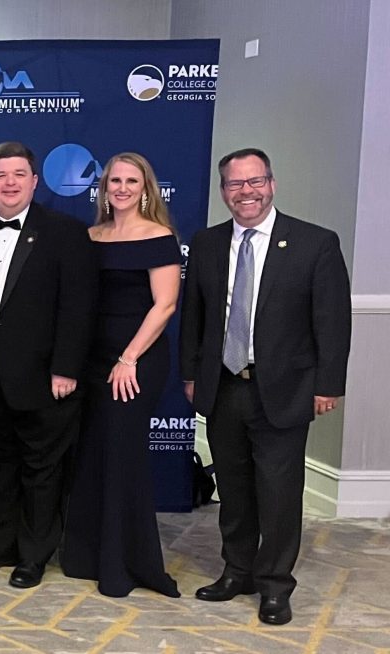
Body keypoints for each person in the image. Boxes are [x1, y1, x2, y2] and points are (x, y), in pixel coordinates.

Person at [179, 148, 350, 625]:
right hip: (224, 385)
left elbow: (332, 322)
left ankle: (275, 585)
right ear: (223, 192)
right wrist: (191, 375)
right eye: (235, 185)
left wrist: (328, 384)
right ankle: (238, 571)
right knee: (232, 489)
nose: (246, 192)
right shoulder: (208, 243)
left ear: (271, 184)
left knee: (278, 492)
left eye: (255, 182)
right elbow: (194, 318)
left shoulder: (315, 243)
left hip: (286, 389)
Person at [0, 142, 97, 589]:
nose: (10, 183)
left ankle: (33, 556)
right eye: (1, 175)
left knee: (42, 468)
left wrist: (66, 368)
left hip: (44, 375)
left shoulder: (66, 232)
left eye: (19, 174)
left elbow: (78, 307)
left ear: (35, 181)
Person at [58, 153, 183, 599]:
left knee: (121, 455)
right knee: (92, 454)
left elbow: (165, 305)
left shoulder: (160, 236)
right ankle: (87, 555)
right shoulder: (90, 237)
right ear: (104, 188)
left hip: (136, 361)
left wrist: (127, 358)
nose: (123, 188)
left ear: (147, 188)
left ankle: (124, 563)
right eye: (115, 180)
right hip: (92, 361)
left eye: (132, 181)